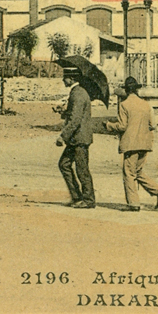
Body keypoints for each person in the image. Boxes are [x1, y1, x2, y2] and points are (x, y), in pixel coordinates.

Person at [108, 76, 158, 212]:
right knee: (137, 171)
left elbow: (122, 126)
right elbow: (152, 125)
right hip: (145, 142)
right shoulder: (145, 104)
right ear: (136, 90)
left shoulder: (124, 105)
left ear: (126, 91)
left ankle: (133, 203)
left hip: (131, 143)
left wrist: (109, 125)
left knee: (129, 173)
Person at [54, 67, 95, 208]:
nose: (63, 80)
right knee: (64, 164)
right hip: (76, 138)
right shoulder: (78, 92)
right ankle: (77, 197)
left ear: (71, 78)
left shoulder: (78, 94)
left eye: (65, 77)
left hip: (79, 138)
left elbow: (75, 120)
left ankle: (88, 200)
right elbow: (74, 115)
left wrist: (63, 136)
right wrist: (63, 111)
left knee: (82, 169)